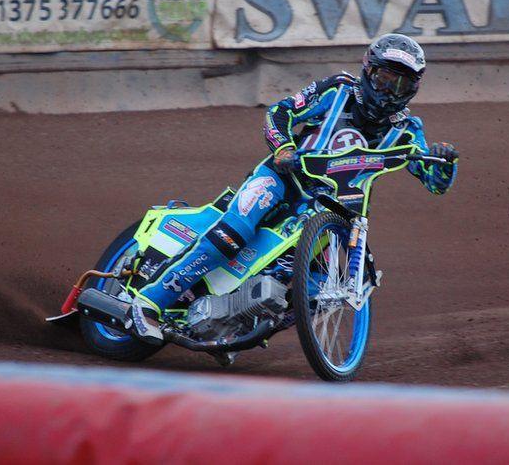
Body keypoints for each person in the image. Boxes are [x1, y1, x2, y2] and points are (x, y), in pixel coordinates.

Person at [129, 33, 459, 344]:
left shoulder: (407, 128)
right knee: (232, 234)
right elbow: (281, 112)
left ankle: (233, 322)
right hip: (282, 179)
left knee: (313, 290)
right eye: (387, 80)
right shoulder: (337, 91)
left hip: (331, 210)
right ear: (368, 71)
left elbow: (434, 182)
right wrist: (284, 148)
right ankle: (147, 304)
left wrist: (446, 162)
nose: (391, 91)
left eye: (401, 84)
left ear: (414, 88)